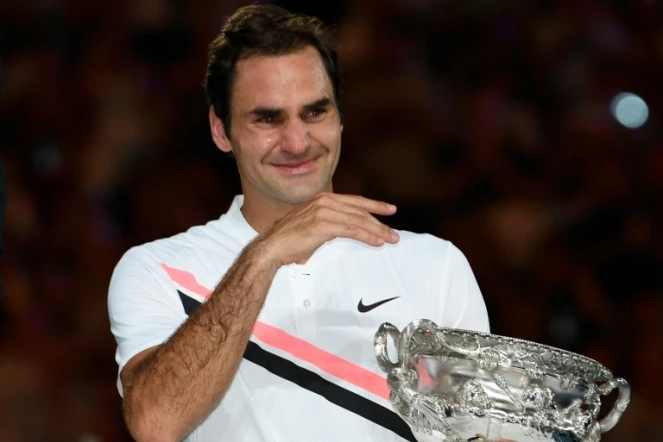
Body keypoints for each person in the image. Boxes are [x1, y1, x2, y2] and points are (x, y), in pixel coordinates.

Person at [107, 5, 490, 442]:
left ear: (340, 117)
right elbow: (156, 425)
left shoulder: (435, 266)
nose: (297, 142)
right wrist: (265, 254)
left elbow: (472, 429)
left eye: (314, 113)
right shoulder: (156, 270)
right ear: (220, 129)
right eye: (268, 118)